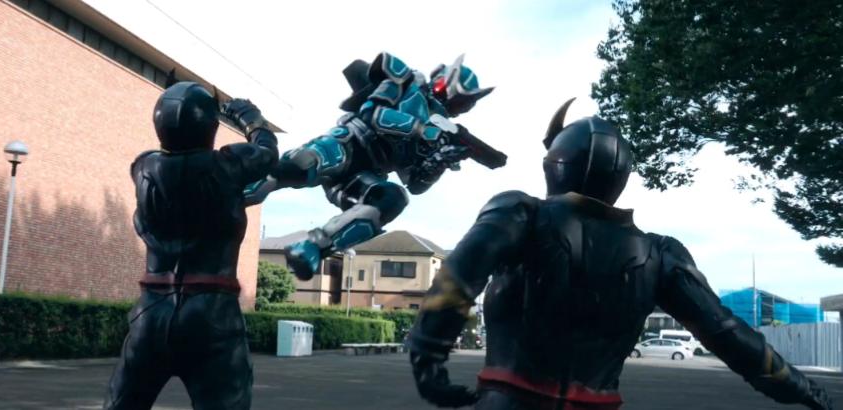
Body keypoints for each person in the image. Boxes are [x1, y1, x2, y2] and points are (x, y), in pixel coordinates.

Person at [407, 99, 833, 410]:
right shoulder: (660, 254)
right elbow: (729, 335)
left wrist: (428, 356)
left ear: (555, 165)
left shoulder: (520, 213)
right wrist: (805, 390)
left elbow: (459, 276)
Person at [245, 52, 498, 280]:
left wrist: (440, 161)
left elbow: (415, 184)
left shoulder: (441, 130)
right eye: (463, 101)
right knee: (302, 166)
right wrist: (421, 128)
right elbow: (373, 114)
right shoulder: (405, 82)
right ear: (448, 83)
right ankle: (241, 187)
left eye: (466, 104)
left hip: (363, 176)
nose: (462, 108)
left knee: (393, 198)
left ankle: (314, 247)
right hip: (348, 143)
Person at [103, 81, 278, 410]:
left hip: (151, 312)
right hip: (212, 312)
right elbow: (267, 153)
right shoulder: (228, 164)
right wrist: (250, 118)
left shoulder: (143, 167)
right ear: (211, 127)